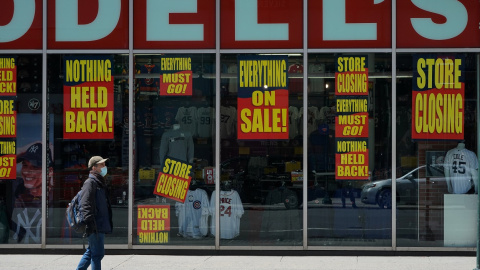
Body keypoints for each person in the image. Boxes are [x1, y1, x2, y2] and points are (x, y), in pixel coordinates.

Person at [11, 142, 53, 244]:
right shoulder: (17, 187)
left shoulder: (54, 197)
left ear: (50, 171)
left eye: (35, 167)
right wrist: (21, 151)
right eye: (25, 165)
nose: (27, 171)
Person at [76, 156, 113, 270]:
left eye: (104, 165)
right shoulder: (90, 183)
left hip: (100, 224)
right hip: (95, 225)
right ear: (94, 167)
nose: (104, 167)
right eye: (101, 165)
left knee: (92, 252)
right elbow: (85, 204)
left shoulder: (99, 183)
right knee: (97, 254)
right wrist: (90, 223)